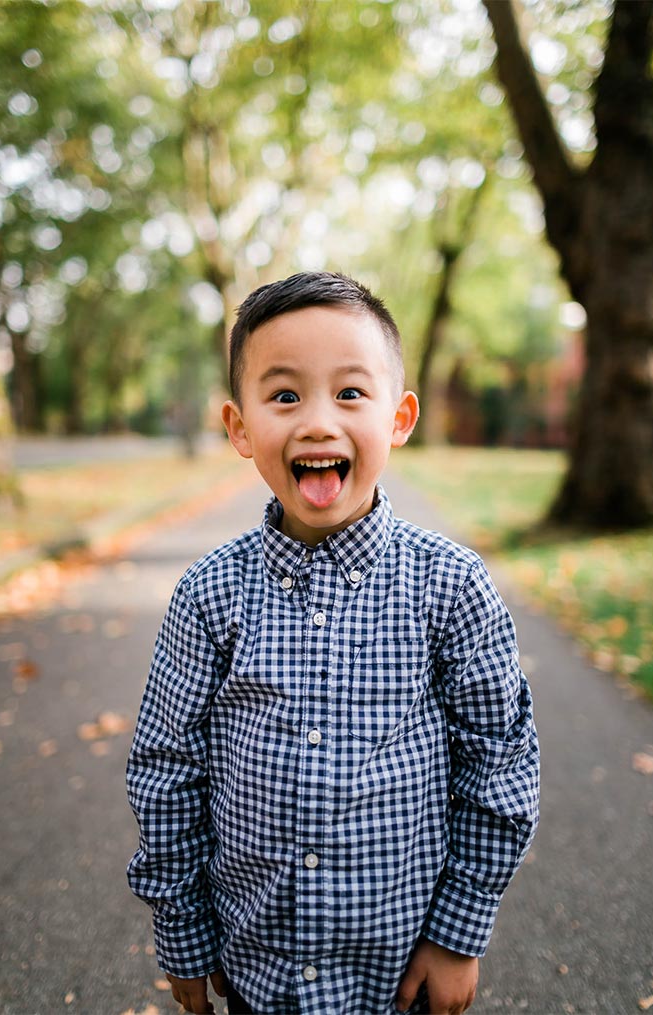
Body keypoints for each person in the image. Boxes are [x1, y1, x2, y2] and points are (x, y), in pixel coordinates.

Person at [126, 272, 542, 1014]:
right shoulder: (208, 596)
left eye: (351, 393)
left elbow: (499, 762)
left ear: (399, 417)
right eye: (285, 395)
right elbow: (167, 768)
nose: (318, 422)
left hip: (399, 970)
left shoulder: (449, 586)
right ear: (240, 426)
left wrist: (458, 934)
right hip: (259, 971)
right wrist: (183, 931)